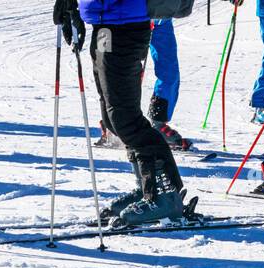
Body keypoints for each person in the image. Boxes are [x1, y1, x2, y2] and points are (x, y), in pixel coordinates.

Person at [57, 0, 189, 226]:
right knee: (112, 118)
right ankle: (147, 188)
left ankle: (165, 196)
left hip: (125, 25)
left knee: (125, 118)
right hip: (104, 26)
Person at [146, 19, 191, 150]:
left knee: (170, 74)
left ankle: (158, 123)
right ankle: (115, 123)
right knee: (125, 71)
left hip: (162, 17)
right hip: (133, 15)